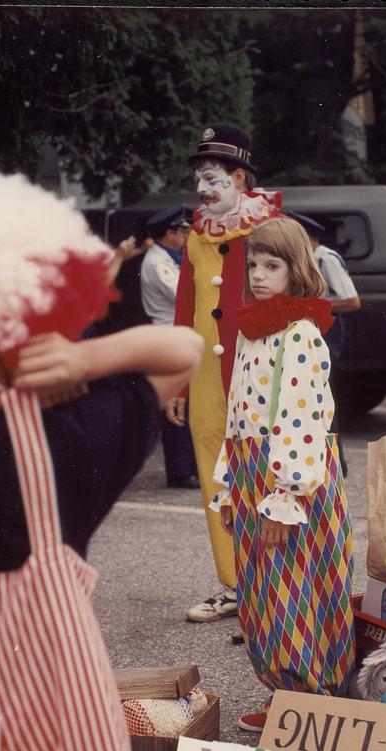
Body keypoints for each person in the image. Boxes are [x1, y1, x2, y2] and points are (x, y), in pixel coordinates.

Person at [0, 171, 204, 751]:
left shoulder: (61, 435)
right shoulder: (71, 436)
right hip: (53, 741)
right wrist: (86, 360)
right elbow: (182, 350)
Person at [209, 216, 356, 731]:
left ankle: (312, 702)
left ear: (297, 270)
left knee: (297, 587)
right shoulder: (253, 334)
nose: (259, 274)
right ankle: (285, 695)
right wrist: (228, 487)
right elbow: (237, 417)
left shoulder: (300, 334)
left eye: (272, 265)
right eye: (253, 264)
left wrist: (285, 498)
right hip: (253, 476)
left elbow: (301, 419)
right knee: (262, 590)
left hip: (290, 480)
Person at [169, 123, 282, 622]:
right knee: (215, 476)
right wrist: (177, 379)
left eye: (211, 178)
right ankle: (235, 584)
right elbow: (184, 310)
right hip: (207, 379)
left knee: (268, 471)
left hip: (261, 370)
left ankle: (276, 582)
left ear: (240, 176)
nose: (200, 189)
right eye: (199, 178)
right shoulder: (197, 237)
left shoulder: (273, 228)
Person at [285, 210, 361, 477]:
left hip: (328, 328)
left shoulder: (324, 258)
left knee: (322, 394)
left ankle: (336, 463)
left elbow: (352, 301)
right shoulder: (303, 260)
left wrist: (311, 306)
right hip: (310, 326)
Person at [140, 204, 199, 488]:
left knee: (185, 402)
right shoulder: (158, 262)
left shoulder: (172, 257)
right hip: (167, 335)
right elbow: (183, 294)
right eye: (183, 231)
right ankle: (180, 471)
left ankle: (188, 467)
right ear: (170, 233)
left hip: (175, 335)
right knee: (175, 403)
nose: (187, 235)